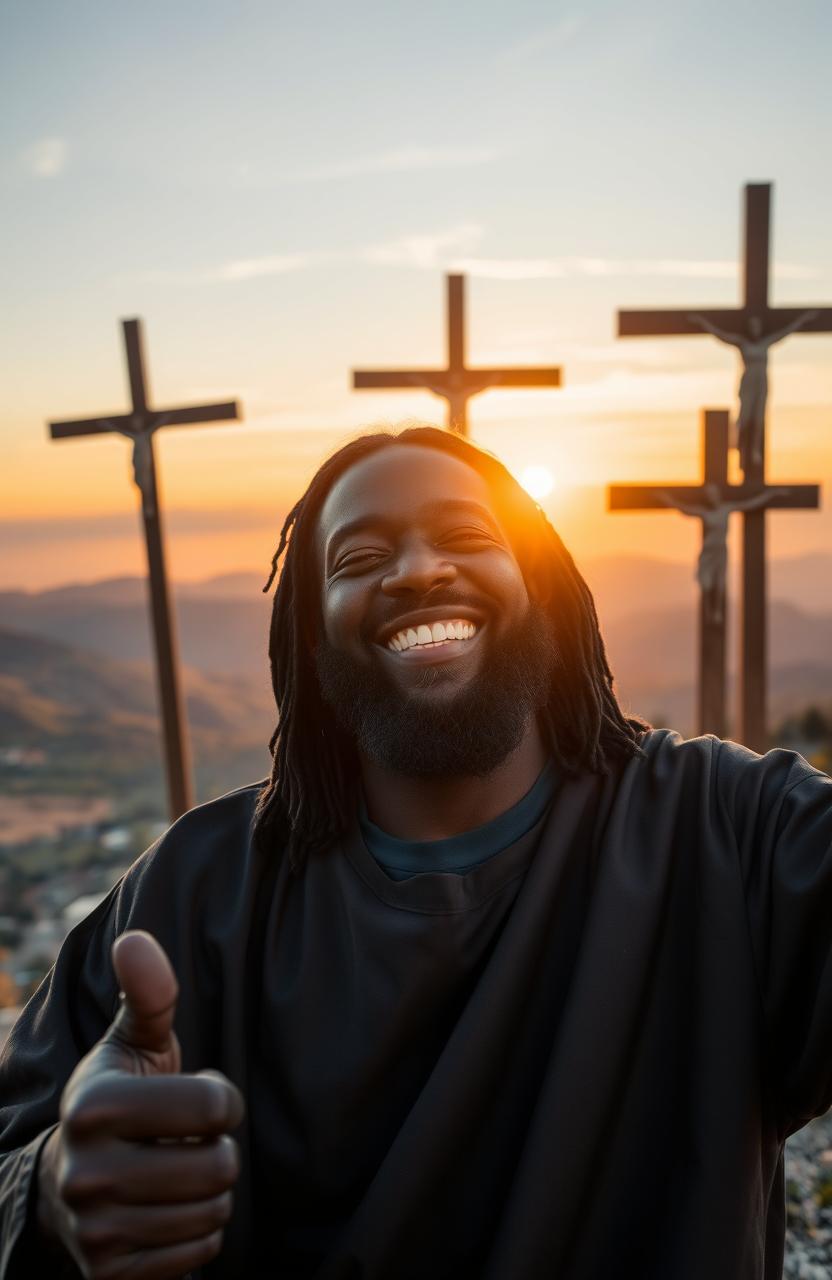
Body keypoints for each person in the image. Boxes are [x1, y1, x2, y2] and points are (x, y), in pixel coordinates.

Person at [0, 424, 830, 1280]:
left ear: (540, 586)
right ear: (313, 639)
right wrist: (52, 1189)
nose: (419, 570)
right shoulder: (198, 892)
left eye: (467, 535)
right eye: (359, 557)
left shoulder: (728, 830)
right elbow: (9, 1154)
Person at [687, 310, 818, 475]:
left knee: (758, 417)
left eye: (757, 325)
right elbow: (721, 336)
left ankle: (754, 450)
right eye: (752, 325)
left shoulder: (766, 343)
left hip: (761, 383)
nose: (754, 328)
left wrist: (803, 319)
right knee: (744, 417)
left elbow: (786, 332)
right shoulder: (742, 343)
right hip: (748, 383)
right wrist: (703, 323)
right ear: (748, 327)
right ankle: (740, 450)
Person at [657, 482, 788, 624]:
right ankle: (708, 612)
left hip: (720, 551)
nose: (711, 497)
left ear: (717, 495)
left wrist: (770, 494)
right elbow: (685, 509)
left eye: (713, 493)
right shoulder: (705, 512)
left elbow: (749, 504)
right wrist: (667, 500)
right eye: (708, 495)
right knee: (706, 584)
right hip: (708, 552)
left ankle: (717, 611)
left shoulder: (726, 509)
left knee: (720, 582)